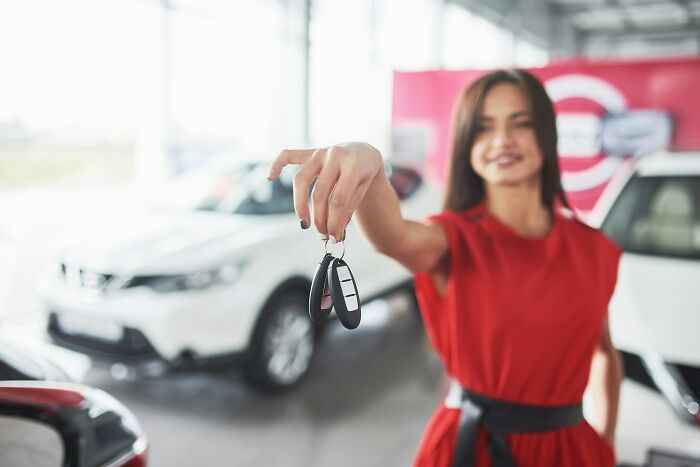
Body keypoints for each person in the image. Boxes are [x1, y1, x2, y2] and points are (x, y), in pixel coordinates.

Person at [266, 69, 622, 467]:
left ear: (547, 134)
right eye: (484, 128)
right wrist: (369, 163)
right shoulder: (452, 240)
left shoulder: (593, 249)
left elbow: (604, 353)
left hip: (570, 453)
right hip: (471, 450)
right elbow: (395, 237)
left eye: (520, 123)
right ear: (468, 144)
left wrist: (604, 443)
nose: (502, 140)